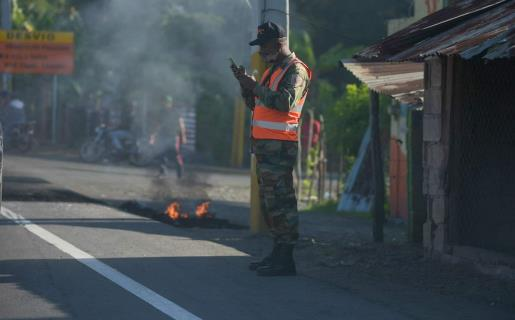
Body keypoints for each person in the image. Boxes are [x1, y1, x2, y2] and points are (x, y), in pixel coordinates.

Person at [231, 21, 312, 276]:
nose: (261, 52)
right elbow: (259, 107)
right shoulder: (272, 70)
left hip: (280, 148)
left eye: (264, 46)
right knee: (270, 203)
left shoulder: (295, 71)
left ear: (279, 44)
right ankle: (278, 253)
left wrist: (254, 86)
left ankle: (286, 259)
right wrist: (246, 87)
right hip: (266, 149)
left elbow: (285, 103)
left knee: (282, 203)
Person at [150, 95, 187, 178]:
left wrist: (183, 136)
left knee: (176, 155)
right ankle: (162, 172)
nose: (165, 104)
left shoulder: (176, 112)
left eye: (167, 102)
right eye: (164, 102)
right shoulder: (161, 112)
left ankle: (180, 172)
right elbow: (157, 125)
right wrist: (153, 135)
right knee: (160, 154)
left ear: (171, 103)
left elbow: (181, 125)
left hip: (173, 136)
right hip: (163, 136)